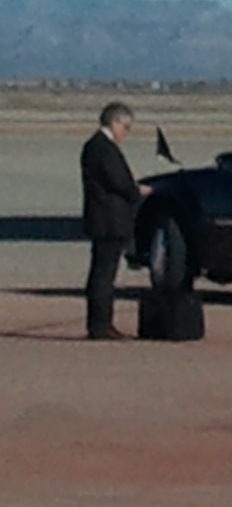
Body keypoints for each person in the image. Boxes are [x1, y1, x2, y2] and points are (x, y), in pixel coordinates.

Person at [81, 101, 151, 341]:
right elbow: (117, 181)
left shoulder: (96, 147)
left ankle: (100, 324)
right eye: (126, 127)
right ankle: (100, 325)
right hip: (108, 221)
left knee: (102, 273)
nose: (126, 133)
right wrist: (136, 191)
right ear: (115, 122)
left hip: (106, 219)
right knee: (103, 275)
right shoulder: (102, 148)